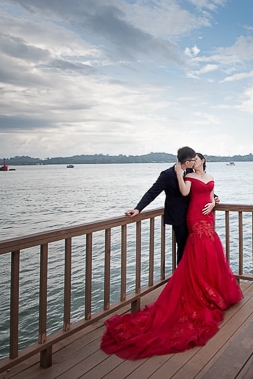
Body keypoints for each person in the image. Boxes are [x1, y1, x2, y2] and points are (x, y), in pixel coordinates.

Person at [101, 153, 243, 358]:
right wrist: (138, 208)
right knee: (186, 257)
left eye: (196, 159)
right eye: (190, 160)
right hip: (184, 220)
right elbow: (154, 192)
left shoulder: (195, 172)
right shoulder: (170, 174)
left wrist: (215, 200)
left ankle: (204, 291)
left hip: (203, 216)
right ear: (184, 161)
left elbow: (207, 190)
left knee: (203, 256)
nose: (192, 162)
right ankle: (185, 294)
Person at [125, 146, 196, 264]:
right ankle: (180, 278)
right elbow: (152, 193)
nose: (195, 162)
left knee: (193, 247)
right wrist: (138, 208)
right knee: (183, 248)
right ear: (187, 162)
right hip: (178, 218)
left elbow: (197, 187)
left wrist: (214, 197)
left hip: (192, 215)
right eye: (193, 160)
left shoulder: (190, 171)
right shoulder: (167, 175)